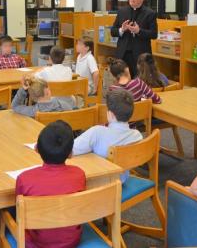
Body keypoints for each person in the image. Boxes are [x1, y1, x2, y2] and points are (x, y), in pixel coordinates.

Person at [16, 120, 86, 248]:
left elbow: (18, 211)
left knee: (8, 210)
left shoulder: (24, 179)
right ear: (71, 154)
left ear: (36, 149)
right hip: (72, 241)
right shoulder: (79, 174)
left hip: (37, 243)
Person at [72, 89, 142, 182]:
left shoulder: (97, 132)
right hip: (123, 179)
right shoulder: (137, 135)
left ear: (111, 114)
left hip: (100, 184)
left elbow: (71, 149)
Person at [110, 0, 158, 77]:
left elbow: (154, 34)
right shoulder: (122, 11)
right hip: (123, 54)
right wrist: (122, 30)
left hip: (140, 55)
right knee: (123, 81)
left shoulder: (150, 13)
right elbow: (113, 31)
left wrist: (139, 31)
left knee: (139, 81)